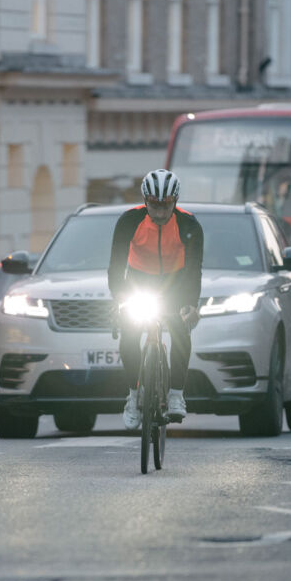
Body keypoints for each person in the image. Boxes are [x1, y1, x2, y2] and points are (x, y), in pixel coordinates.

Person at [108, 169, 204, 430]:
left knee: (180, 331)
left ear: (175, 202)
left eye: (165, 207)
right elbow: (116, 267)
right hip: (138, 282)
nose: (160, 213)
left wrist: (190, 304)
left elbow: (194, 269)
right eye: (154, 206)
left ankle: (175, 393)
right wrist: (119, 299)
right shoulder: (129, 221)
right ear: (145, 201)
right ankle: (133, 395)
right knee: (129, 333)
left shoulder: (189, 224)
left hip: (176, 283)